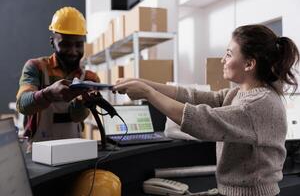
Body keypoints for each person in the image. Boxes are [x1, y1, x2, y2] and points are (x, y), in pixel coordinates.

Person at [113, 24, 299, 196]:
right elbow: (193, 96)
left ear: (249, 64)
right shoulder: (240, 93)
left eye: (228, 54)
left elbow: (202, 119)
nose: (222, 60)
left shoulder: (258, 104)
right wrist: (143, 83)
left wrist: (148, 93)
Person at [16, 7, 99, 148]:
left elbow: (77, 117)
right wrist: (48, 94)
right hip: (39, 152)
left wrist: (82, 102)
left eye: (78, 45)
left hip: (74, 150)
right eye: (65, 44)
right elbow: (22, 104)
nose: (73, 51)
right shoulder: (36, 67)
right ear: (52, 42)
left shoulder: (89, 78)